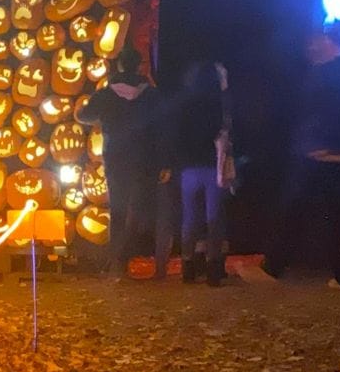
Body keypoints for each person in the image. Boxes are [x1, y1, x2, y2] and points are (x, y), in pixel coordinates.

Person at [263, 28, 340, 288]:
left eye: (316, 42)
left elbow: (339, 114)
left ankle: (275, 267)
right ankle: (337, 275)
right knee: (333, 217)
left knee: (309, 212)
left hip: (327, 155)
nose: (311, 48)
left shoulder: (337, 75)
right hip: (330, 154)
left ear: (329, 42)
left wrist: (327, 144)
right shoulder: (338, 73)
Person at [79, 44, 168, 276]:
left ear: (119, 65)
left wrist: (89, 109)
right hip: (144, 159)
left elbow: (84, 115)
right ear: (139, 67)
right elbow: (161, 127)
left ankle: (117, 262)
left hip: (116, 158)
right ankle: (130, 254)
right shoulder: (150, 94)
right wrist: (163, 159)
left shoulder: (106, 94)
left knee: (117, 210)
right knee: (139, 211)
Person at [162, 59, 231, 286]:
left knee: (190, 218)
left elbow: (175, 136)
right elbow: (225, 133)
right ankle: (213, 268)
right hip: (213, 166)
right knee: (214, 219)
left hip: (189, 168)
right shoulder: (219, 104)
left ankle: (188, 265)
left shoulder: (185, 103)